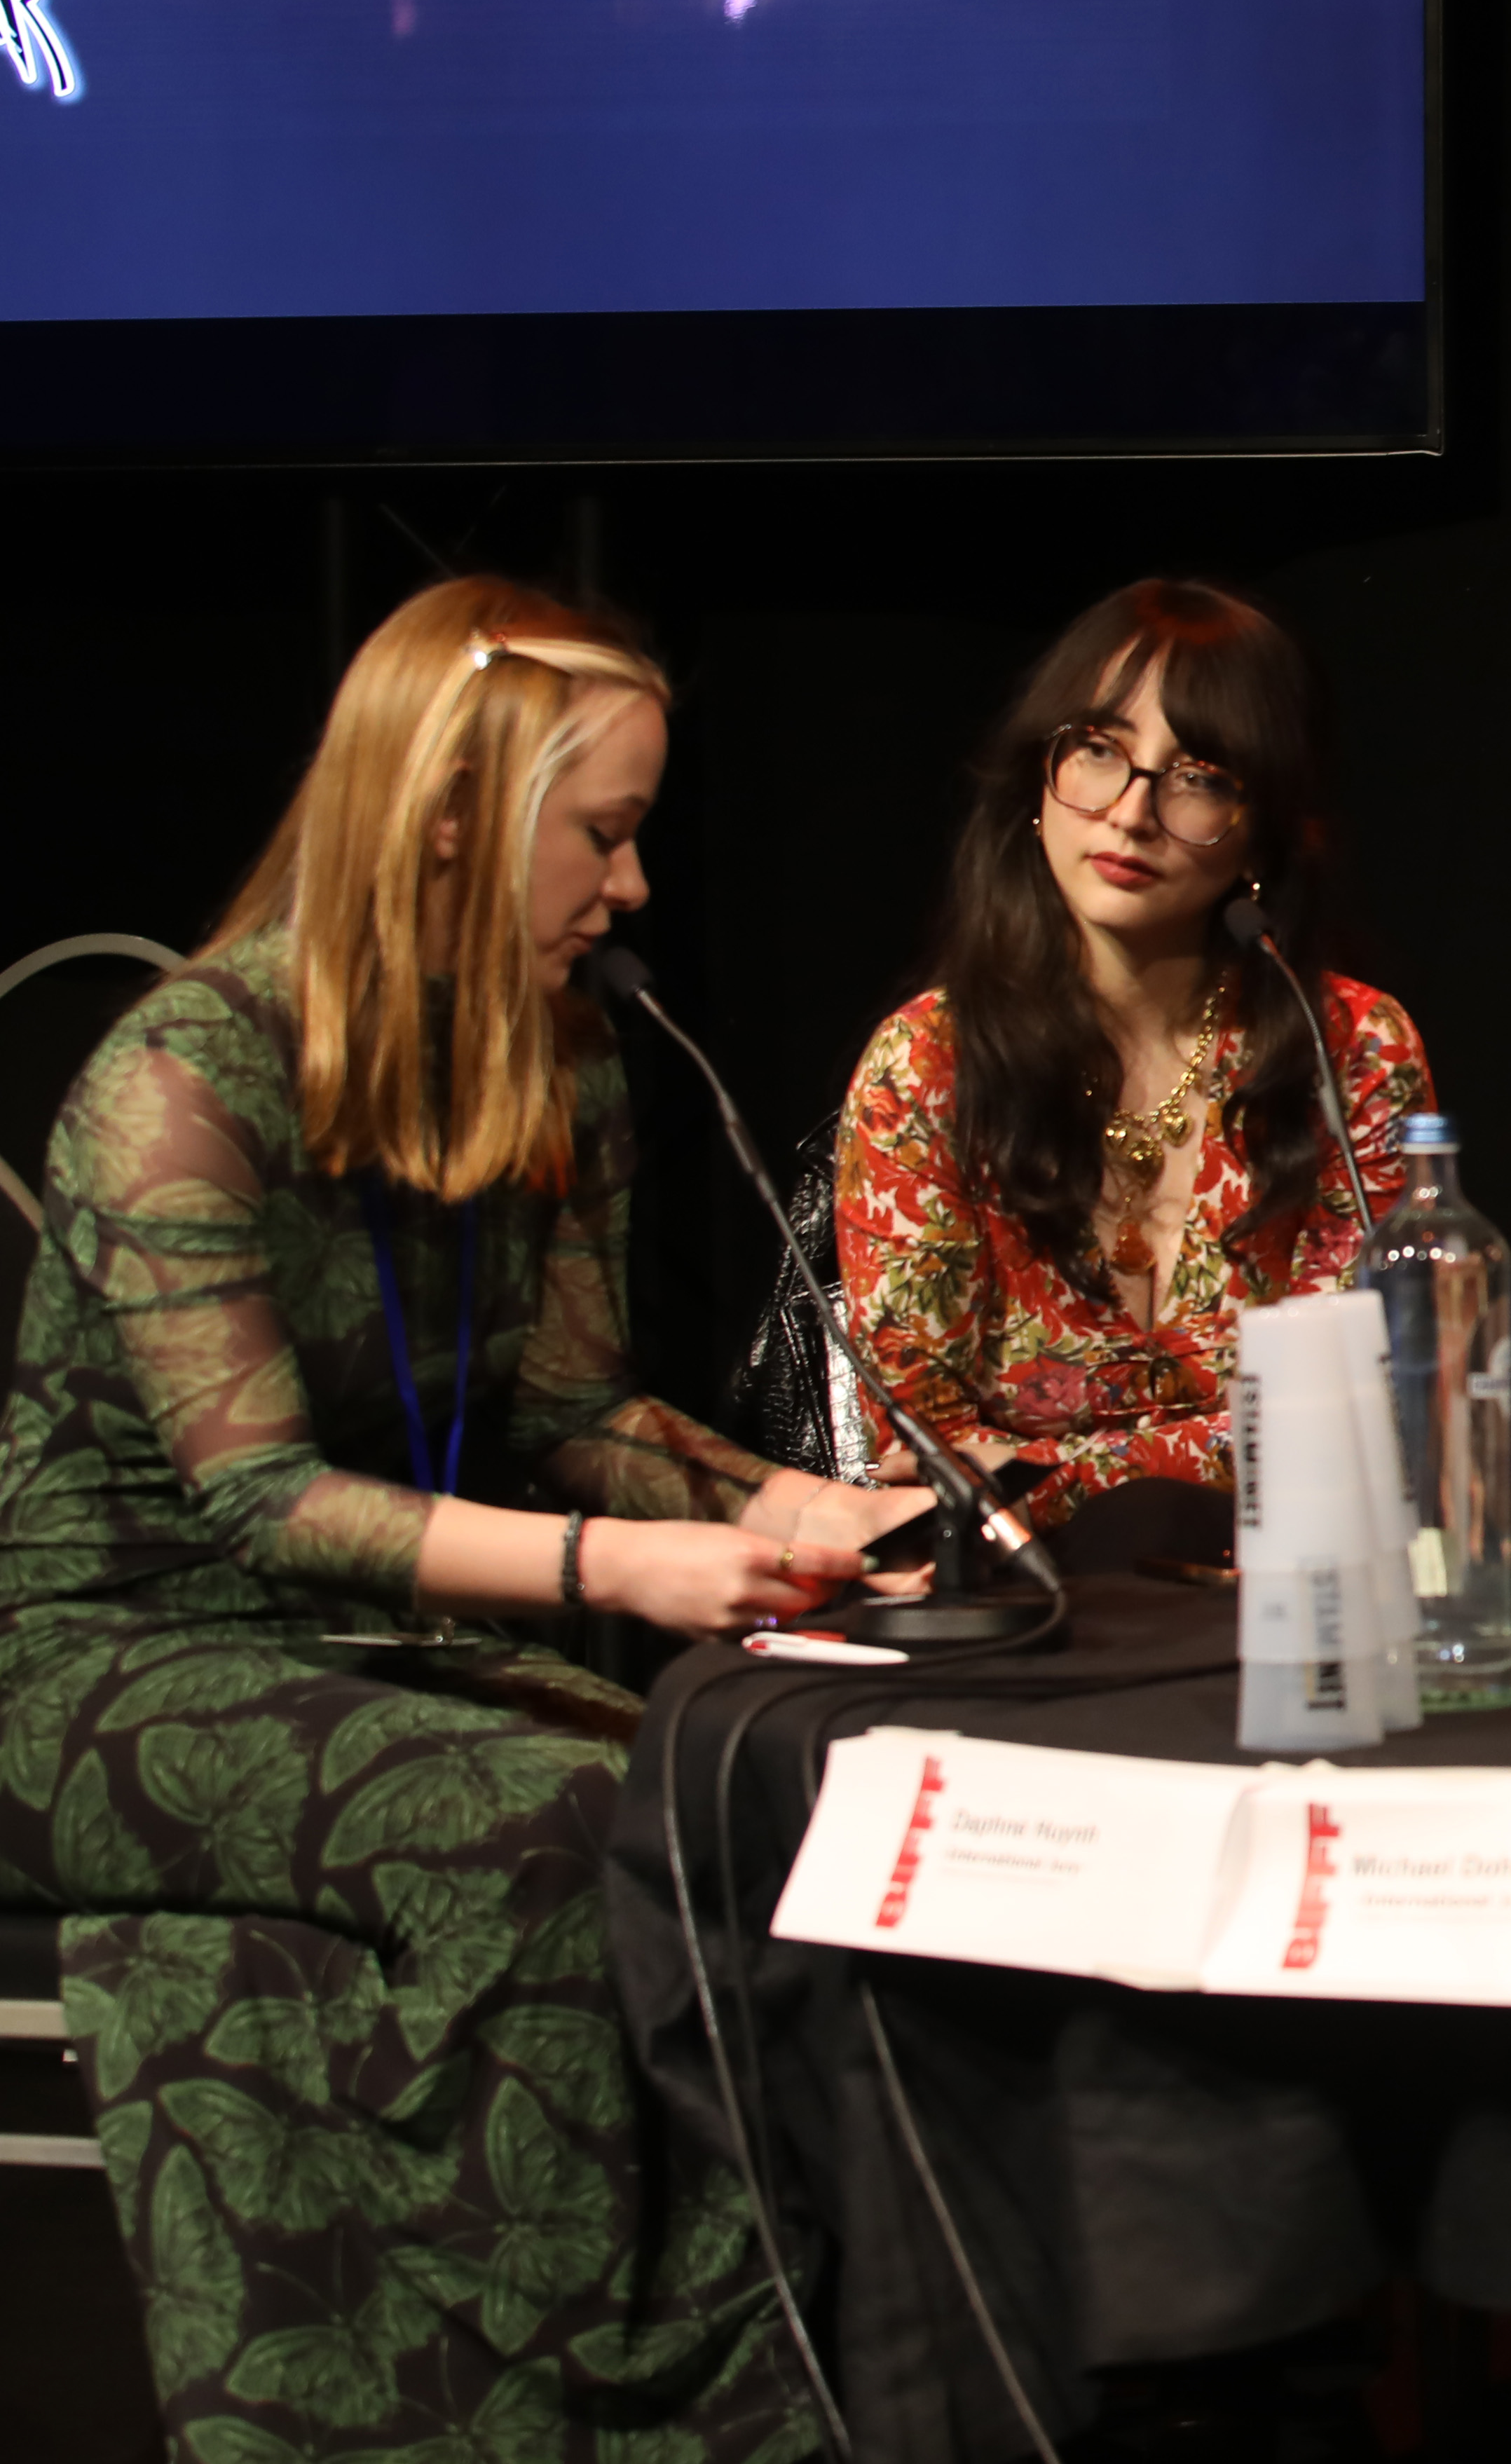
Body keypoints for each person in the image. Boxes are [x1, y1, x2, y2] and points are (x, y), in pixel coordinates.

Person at [0, 577, 930, 2460]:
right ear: (449, 818)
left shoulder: (561, 1053)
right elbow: (260, 1499)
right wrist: (623, 1566)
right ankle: (559, 2377)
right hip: (108, 1656)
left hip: (368, 1643)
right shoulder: (181, 1078)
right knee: (551, 1817)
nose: (635, 883)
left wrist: (804, 1504)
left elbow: (573, 1413)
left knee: (726, 1788)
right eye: (605, 831)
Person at [835, 581, 1430, 1526]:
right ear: (1040, 778)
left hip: (1291, 1570)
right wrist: (1209, 1458)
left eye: (1199, 777)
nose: (1130, 813)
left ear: (1261, 832)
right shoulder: (926, 1063)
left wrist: (1048, 1474)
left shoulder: (1354, 1047)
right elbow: (924, 1457)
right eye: (1100, 752)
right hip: (1020, 1588)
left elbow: (1361, 1416)